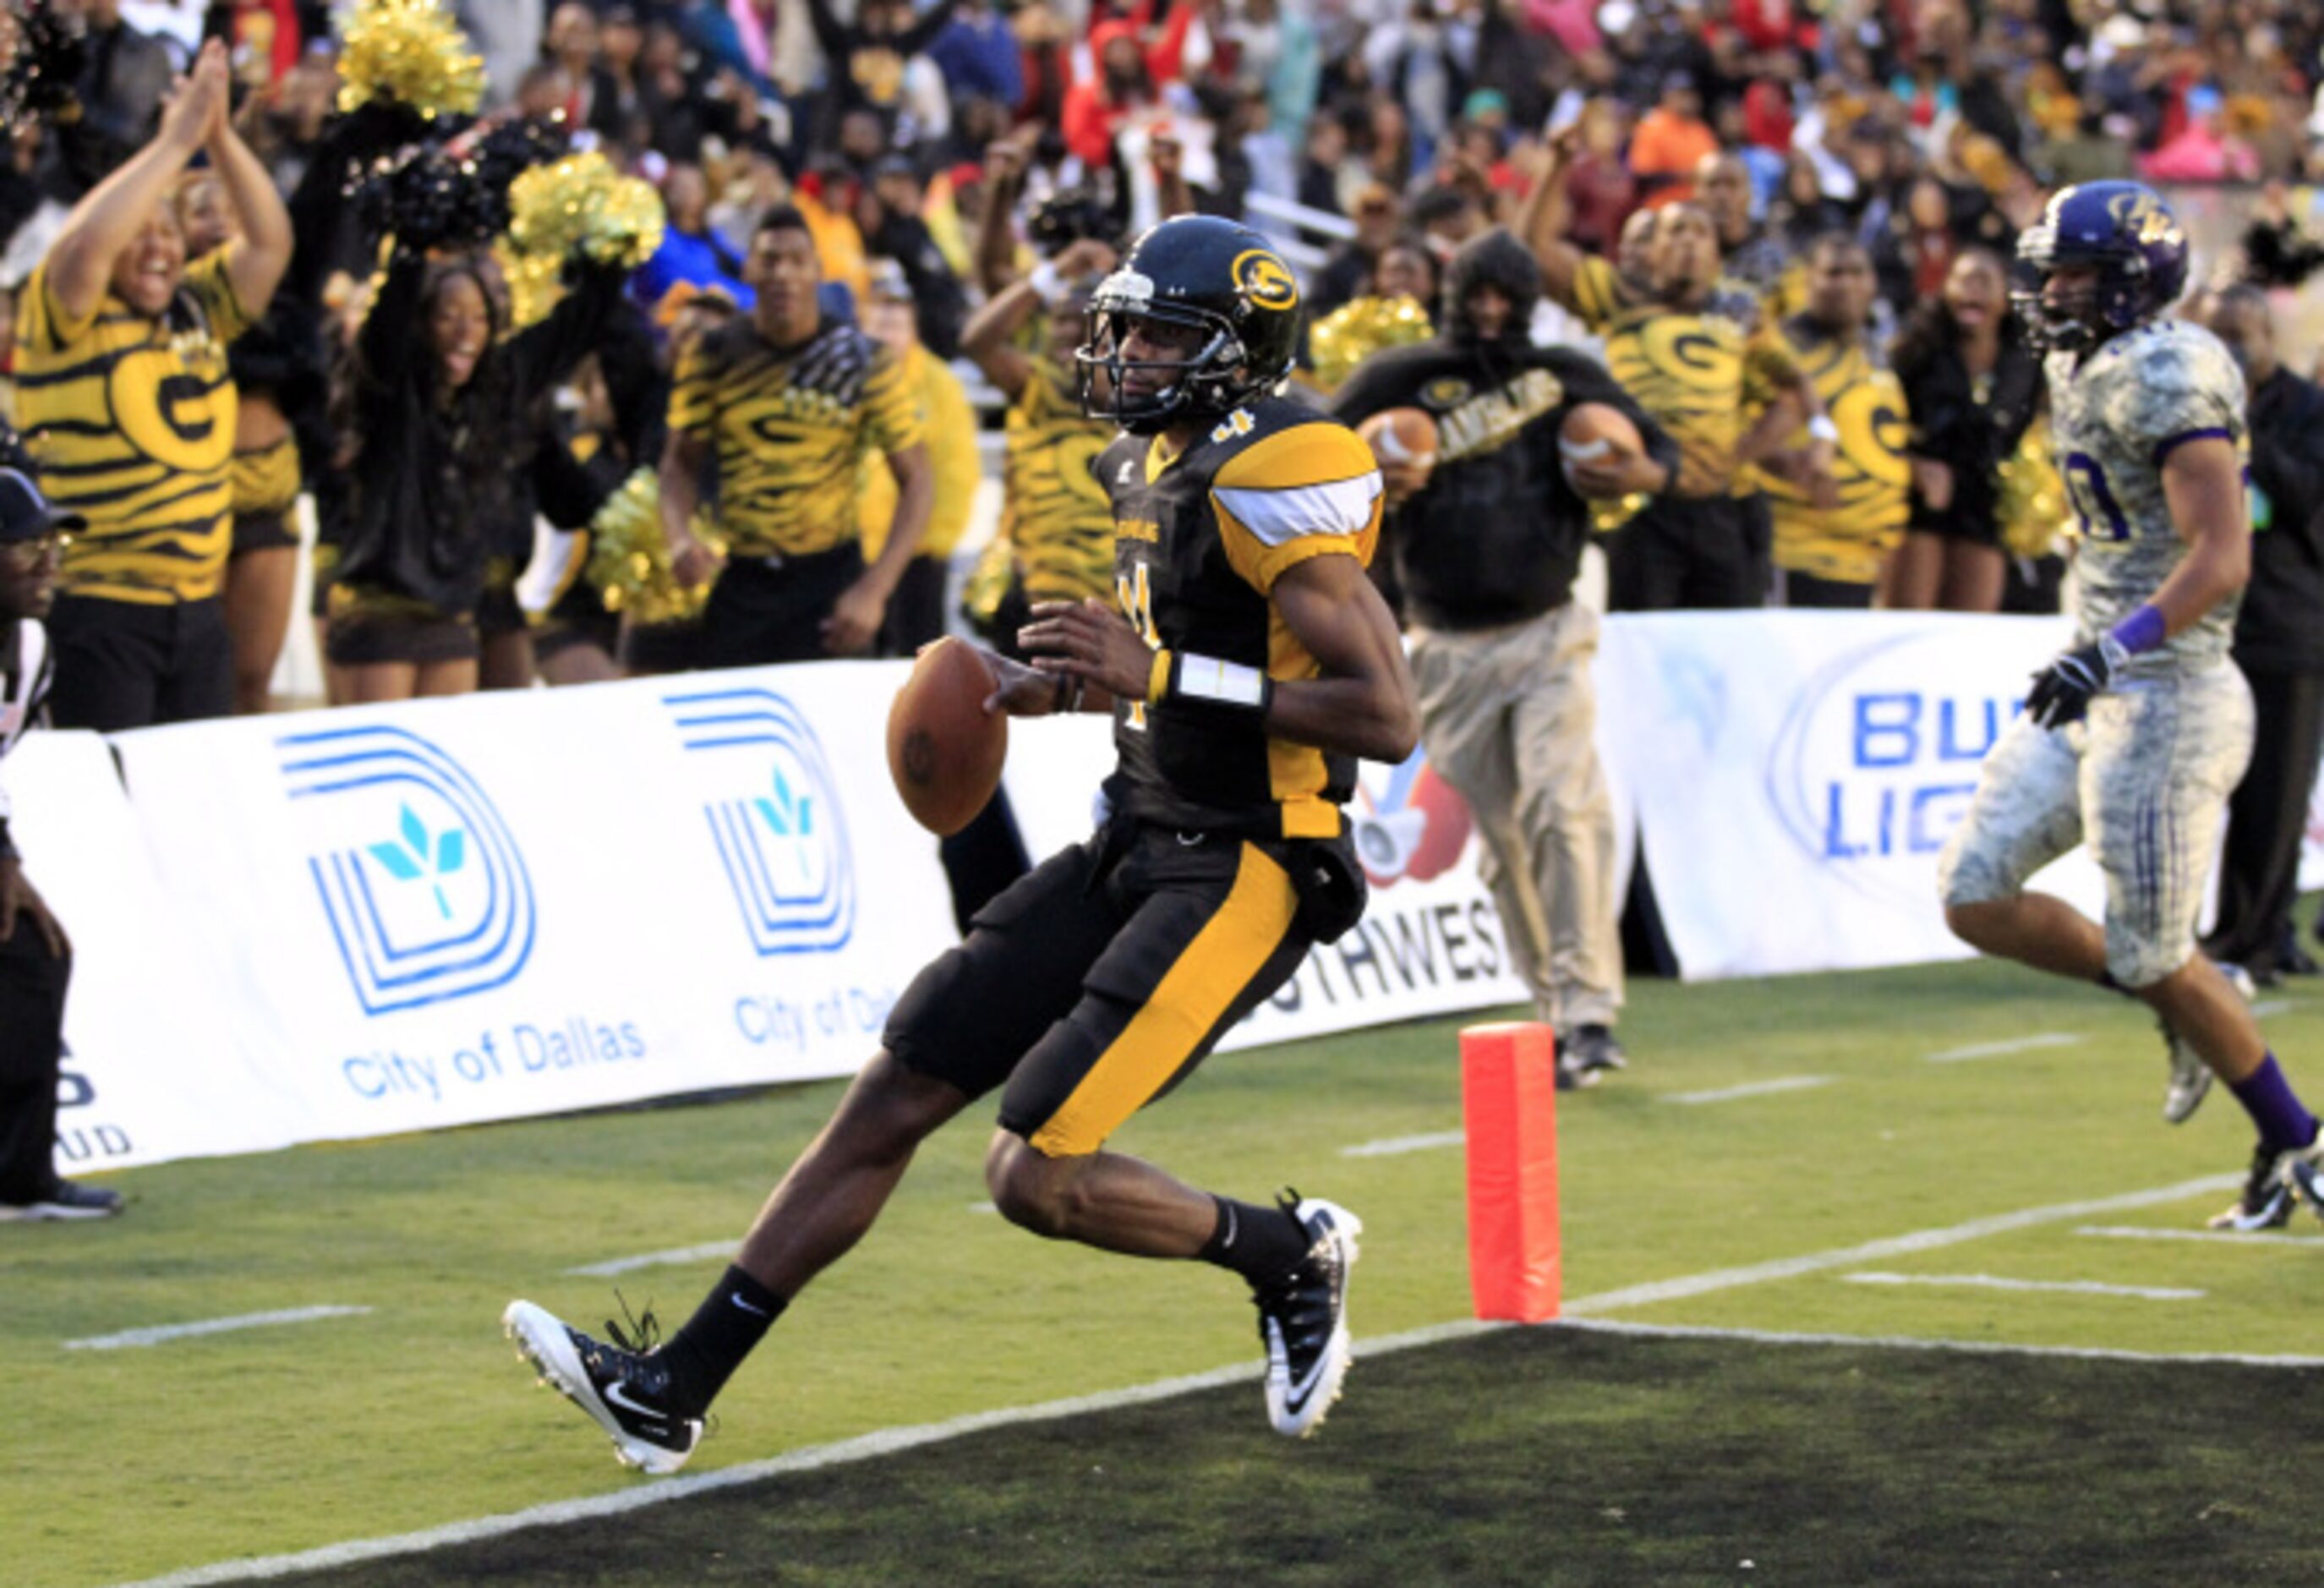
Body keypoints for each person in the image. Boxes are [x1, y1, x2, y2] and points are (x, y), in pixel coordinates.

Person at [504, 216, 1418, 1472]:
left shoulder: (1277, 470)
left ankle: (1286, 1251)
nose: (1127, 350)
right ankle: (671, 1386)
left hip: (1258, 855)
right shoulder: (1145, 460)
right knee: (904, 1069)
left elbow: (1385, 713)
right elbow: (1189, 677)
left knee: (1035, 1167)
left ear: (1235, 351)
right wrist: (1072, 688)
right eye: (1128, 324)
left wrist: (1148, 668)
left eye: (1160, 332)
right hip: (1140, 831)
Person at [1937, 183, 2324, 1231]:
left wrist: (2113, 647)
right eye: (2048, 270)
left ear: (2133, 283)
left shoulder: (2169, 368)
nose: (2051, 290)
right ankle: (2189, 1007)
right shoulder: (2078, 357)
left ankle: (2296, 1138)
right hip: (2098, 674)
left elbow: (2223, 554)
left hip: (2167, 692)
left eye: (2076, 276)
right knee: (1974, 894)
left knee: (2158, 952)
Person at [1333, 230, 1676, 1085]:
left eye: (1504, 298)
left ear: (1526, 303)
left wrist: (1628, 471)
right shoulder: (1396, 379)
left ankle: (1591, 1010)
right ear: (1457, 293)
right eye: (1477, 294)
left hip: (1549, 628)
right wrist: (1366, 478)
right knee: (1503, 839)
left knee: (1564, 807)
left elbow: (1661, 457)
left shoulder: (1565, 376)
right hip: (1444, 645)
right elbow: (1308, 462)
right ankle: (1553, 1006)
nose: (1489, 312)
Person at [12, 41, 290, 731]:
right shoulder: (66, 313)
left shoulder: (196, 307)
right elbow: (82, 247)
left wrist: (218, 138)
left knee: (191, 802)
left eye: (168, 234)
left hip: (199, 613)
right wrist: (173, 143)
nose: (160, 248)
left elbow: (269, 244)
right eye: (139, 235)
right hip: (101, 611)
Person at [1521, 132, 1832, 611]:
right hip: (1641, 502)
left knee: (1725, 647)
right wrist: (1557, 166)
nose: (1688, 241)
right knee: (1646, 643)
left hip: (1723, 508)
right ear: (1653, 250)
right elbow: (1535, 250)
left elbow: (1791, 389)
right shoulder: (1619, 295)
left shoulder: (1742, 311)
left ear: (1716, 254)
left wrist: (1741, 454)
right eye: (1674, 231)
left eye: (1700, 232)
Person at [660, 206, 934, 667]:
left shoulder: (861, 359)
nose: (782, 273)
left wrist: (874, 590)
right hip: (741, 582)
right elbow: (678, 464)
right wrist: (680, 539)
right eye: (769, 259)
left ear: (818, 269)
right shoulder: (713, 354)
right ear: (748, 268)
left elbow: (919, 478)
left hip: (831, 584)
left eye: (795, 259)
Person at [0, 465, 118, 1222]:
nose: (49, 563)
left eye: (54, 545)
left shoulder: (33, 648)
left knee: (36, 955)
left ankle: (19, 1178)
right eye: (25, 547)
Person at [2198, 286, 2324, 985]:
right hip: (2212, 630)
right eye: (2217, 333)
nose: (2229, 349)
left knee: (2277, 794)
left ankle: (2254, 938)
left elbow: (2304, 497)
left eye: (2240, 335)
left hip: (2289, 626)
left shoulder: (2307, 410)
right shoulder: (2188, 408)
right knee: (2219, 789)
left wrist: (2242, 428)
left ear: (2269, 340)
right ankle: (2239, 933)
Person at [1884, 248, 2044, 611]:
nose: (1974, 289)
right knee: (1909, 620)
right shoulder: (1915, 351)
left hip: (1985, 503)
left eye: (1985, 281)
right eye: (1963, 279)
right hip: (1921, 502)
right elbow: (1878, 425)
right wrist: (1911, 466)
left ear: (2005, 299)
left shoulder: (2024, 362)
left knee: (1972, 629)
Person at [1764, 236, 1912, 607]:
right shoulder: (1778, 350)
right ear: (1808, 281)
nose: (1845, 283)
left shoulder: (1876, 351)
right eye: (1832, 273)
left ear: (1872, 283)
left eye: (1856, 272)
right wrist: (1785, 461)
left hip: (1862, 562)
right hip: (1794, 555)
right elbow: (1735, 434)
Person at [853, 261, 977, 654]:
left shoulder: (940, 386)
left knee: (918, 662)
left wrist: (935, 541)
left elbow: (956, 471)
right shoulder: (846, 377)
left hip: (918, 554)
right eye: (879, 325)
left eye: (895, 326)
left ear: (913, 332)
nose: (886, 336)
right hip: (855, 552)